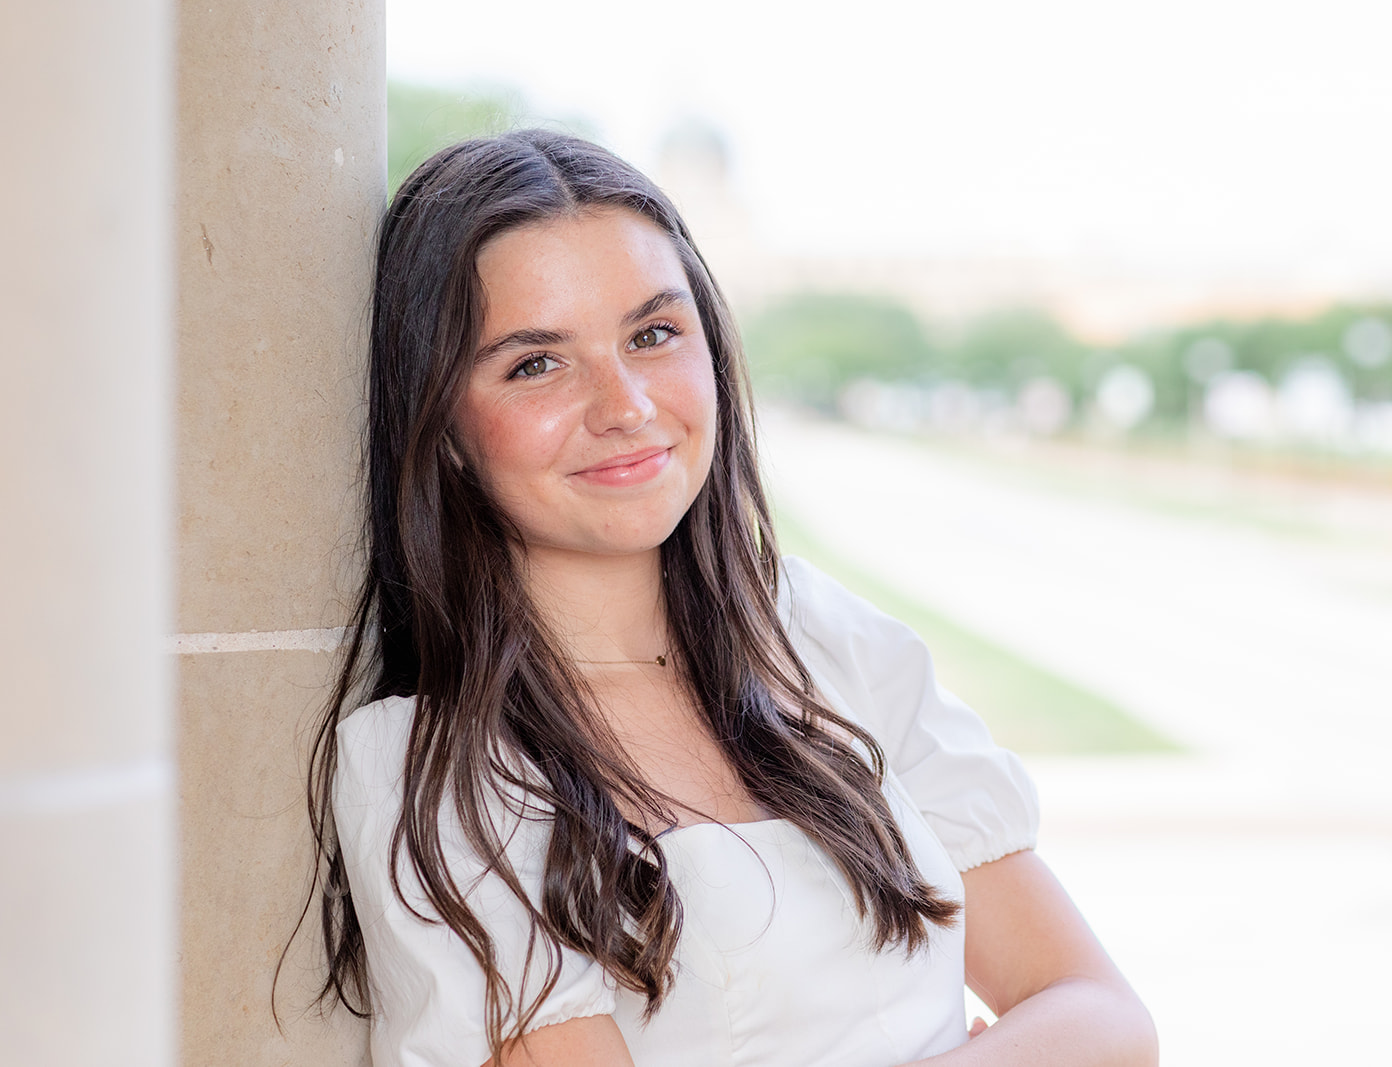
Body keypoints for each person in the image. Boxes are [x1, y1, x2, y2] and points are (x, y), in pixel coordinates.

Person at [303, 128, 1157, 1067]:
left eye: (653, 334)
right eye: (535, 363)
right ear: (447, 428)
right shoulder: (435, 770)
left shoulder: (822, 639)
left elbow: (1103, 1018)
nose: (624, 403)